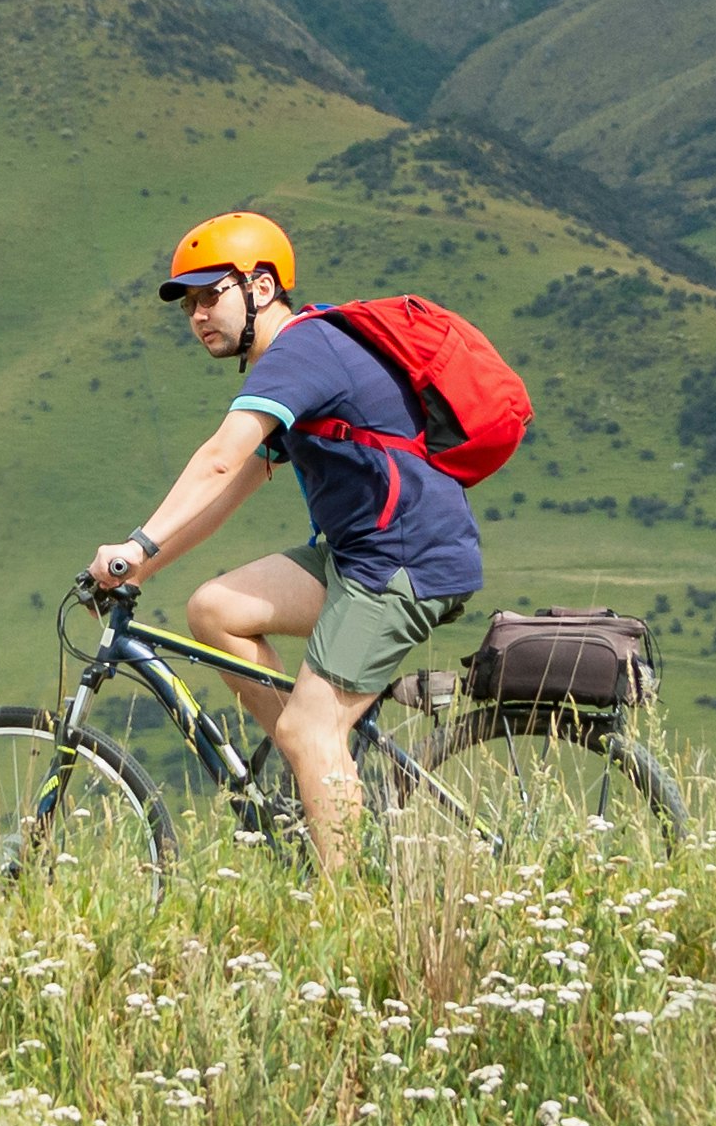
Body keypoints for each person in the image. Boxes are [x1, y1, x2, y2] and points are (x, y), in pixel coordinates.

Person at [85, 209, 479, 877]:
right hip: (358, 554)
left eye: (211, 294)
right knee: (214, 611)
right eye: (188, 304)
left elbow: (216, 458)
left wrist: (133, 543)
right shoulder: (289, 365)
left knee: (309, 729)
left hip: (404, 560)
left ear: (260, 287)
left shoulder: (302, 349)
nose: (198, 315)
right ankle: (318, 776)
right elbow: (228, 491)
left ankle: (347, 909)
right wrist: (140, 567)